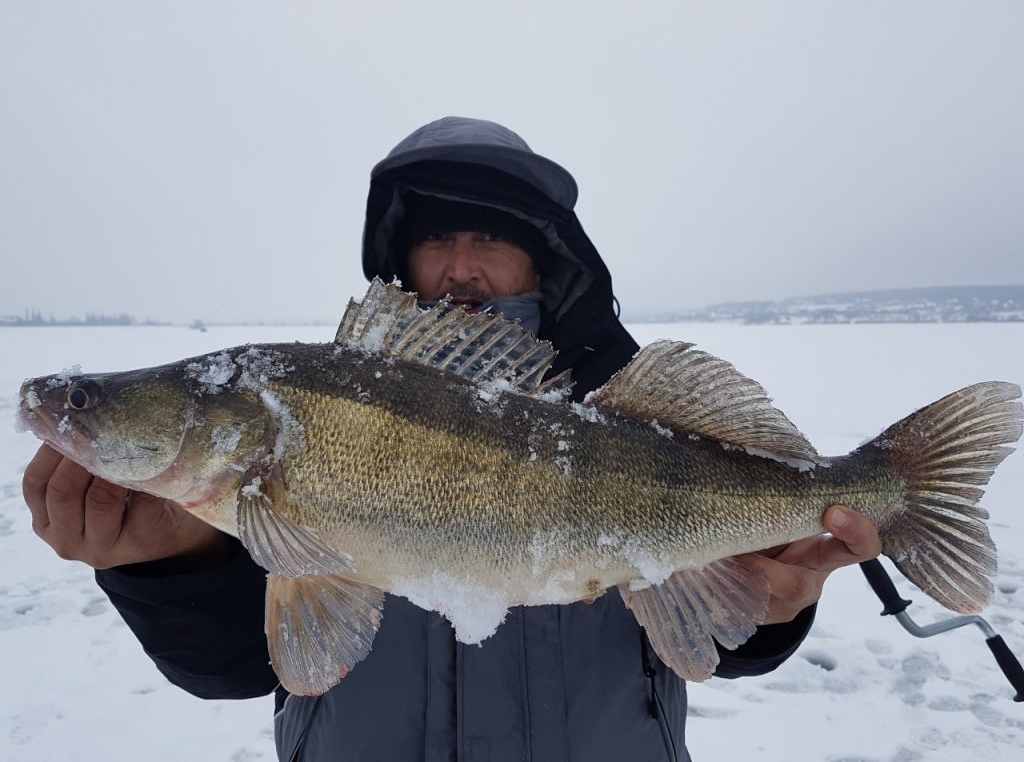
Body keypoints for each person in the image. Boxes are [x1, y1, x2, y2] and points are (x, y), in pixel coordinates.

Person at [22, 117, 882, 761]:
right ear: (401, 259)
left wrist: (769, 610)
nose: (461, 266)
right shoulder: (280, 439)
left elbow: (728, 637)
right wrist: (168, 568)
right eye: (436, 237)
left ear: (545, 260)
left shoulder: (629, 417)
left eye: (491, 238)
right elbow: (242, 666)